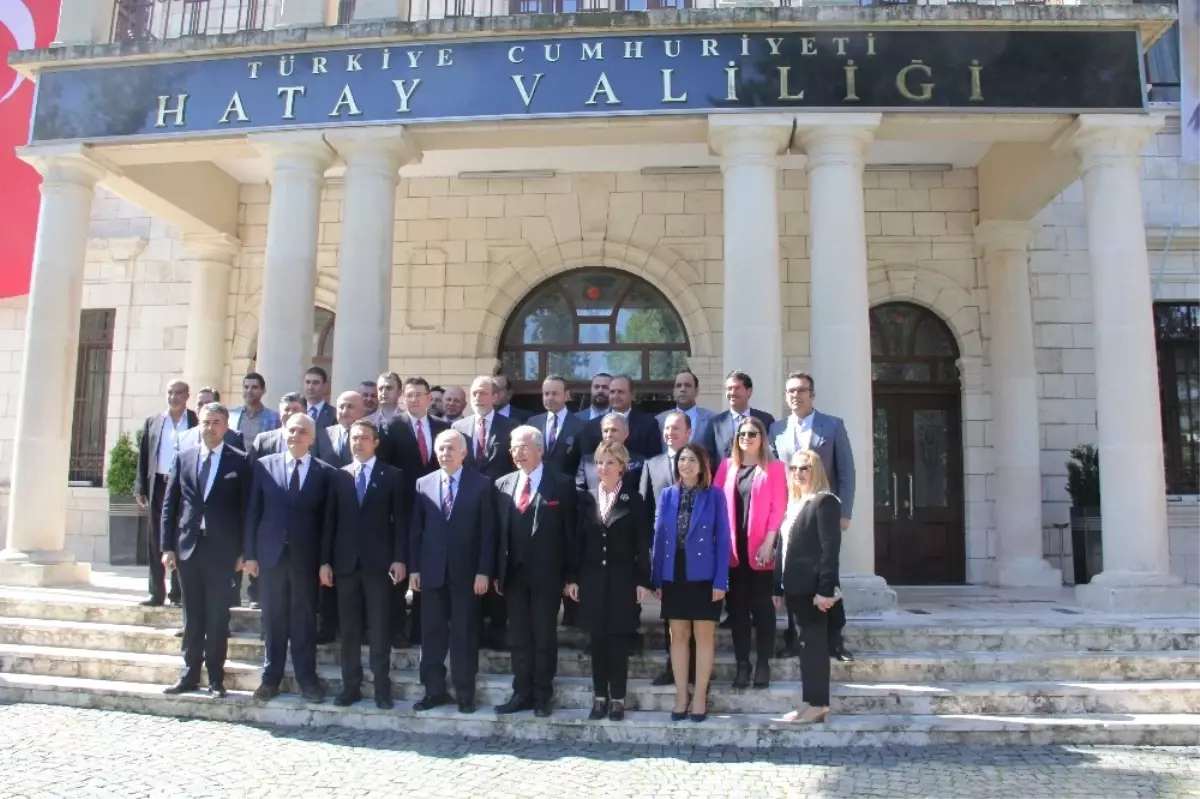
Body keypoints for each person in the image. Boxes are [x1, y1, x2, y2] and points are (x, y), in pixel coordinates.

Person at [243, 413, 337, 703]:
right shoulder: (263, 466)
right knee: (273, 619)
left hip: (305, 559)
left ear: (312, 438)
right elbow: (253, 511)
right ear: (283, 433)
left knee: (304, 619)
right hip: (270, 556)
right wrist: (249, 555)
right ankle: (270, 679)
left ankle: (307, 679)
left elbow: (327, 523)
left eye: (302, 431)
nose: (295, 435)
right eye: (291, 430)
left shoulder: (325, 472)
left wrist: (324, 561)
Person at [160, 402, 250, 698]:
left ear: (226, 427)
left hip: (222, 551)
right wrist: (167, 546)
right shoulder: (183, 458)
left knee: (216, 615)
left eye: (216, 422)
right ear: (198, 424)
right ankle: (188, 674)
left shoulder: (240, 461)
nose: (210, 427)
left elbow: (246, 510)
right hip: (188, 548)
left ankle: (215, 677)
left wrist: (244, 551)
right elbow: (170, 505)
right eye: (206, 422)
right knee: (192, 615)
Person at [320, 419, 407, 710]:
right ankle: (351, 686)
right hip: (345, 565)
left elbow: (400, 524)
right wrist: (325, 562)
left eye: (363, 438)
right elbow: (329, 523)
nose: (357, 443)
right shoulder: (339, 477)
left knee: (380, 628)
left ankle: (382, 687)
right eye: (353, 438)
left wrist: (399, 558)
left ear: (375, 442)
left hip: (379, 565)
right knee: (349, 629)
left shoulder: (392, 476)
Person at [769, 371, 855, 662]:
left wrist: (844, 512)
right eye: (791, 391)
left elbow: (846, 471)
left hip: (823, 512)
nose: (796, 395)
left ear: (812, 394)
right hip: (791, 512)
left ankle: (835, 639)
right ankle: (793, 637)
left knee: (828, 573)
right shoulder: (776, 430)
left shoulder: (832, 425)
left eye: (802, 390)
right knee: (793, 576)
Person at [494, 426, 579, 718]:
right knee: (519, 636)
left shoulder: (562, 485)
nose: (517, 452)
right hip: (513, 576)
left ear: (539, 450)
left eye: (523, 447)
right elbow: (497, 534)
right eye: (513, 448)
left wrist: (571, 576)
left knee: (544, 636)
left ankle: (543, 694)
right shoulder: (502, 484)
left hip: (547, 575)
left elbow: (571, 533)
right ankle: (522, 691)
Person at [410, 430, 495, 714]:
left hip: (467, 574)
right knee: (431, 635)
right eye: (441, 449)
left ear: (464, 453)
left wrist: (484, 571)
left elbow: (488, 533)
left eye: (450, 448)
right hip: (432, 572)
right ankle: (433, 691)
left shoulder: (481, 485)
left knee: (464, 634)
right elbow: (416, 531)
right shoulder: (423, 483)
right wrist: (414, 569)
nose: (445, 453)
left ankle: (464, 692)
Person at [651, 443, 730, 723]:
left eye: (692, 460)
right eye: (682, 459)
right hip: (675, 571)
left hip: (704, 574)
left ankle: (700, 697)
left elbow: (723, 541)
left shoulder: (715, 495)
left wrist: (721, 580)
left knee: (704, 636)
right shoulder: (667, 495)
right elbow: (659, 538)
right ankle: (682, 695)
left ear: (702, 465)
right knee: (679, 636)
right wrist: (657, 577)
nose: (686, 464)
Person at [576, 441, 651, 722]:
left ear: (621, 466)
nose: (603, 468)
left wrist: (643, 580)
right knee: (597, 642)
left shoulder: (634, 499)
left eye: (609, 462)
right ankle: (599, 697)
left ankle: (617, 698)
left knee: (619, 642)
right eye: (599, 463)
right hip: (593, 579)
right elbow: (578, 541)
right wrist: (574, 577)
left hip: (623, 580)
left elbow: (642, 543)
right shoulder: (586, 499)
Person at [713, 415, 786, 689]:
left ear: (762, 438)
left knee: (763, 608)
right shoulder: (726, 467)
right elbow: (718, 504)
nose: (746, 438)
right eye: (742, 434)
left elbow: (778, 507)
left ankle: (763, 663)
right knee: (738, 610)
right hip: (733, 551)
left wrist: (769, 542)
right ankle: (742, 663)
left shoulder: (775, 468)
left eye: (752, 434)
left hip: (760, 550)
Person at [774, 449, 842, 725]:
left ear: (816, 470)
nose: (798, 473)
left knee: (814, 645)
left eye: (805, 468)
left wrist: (825, 590)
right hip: (793, 586)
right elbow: (784, 548)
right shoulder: (795, 503)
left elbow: (830, 549)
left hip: (813, 589)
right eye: (794, 468)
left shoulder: (825, 502)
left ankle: (819, 703)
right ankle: (809, 701)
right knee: (804, 645)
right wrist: (776, 586)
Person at [638, 410, 696, 687]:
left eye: (676, 428)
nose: (670, 433)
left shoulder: (701, 462)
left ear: (689, 432)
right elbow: (645, 509)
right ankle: (672, 667)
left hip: (695, 553)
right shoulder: (652, 465)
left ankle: (695, 668)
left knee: (694, 613)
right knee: (669, 613)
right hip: (665, 552)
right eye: (667, 429)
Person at [134, 379, 195, 607]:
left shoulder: (195, 421)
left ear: (187, 395)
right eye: (170, 392)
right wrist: (140, 487)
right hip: (158, 484)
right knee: (155, 539)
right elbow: (144, 455)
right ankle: (156, 592)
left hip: (184, 485)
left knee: (179, 538)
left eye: (179, 393)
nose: (174, 397)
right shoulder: (154, 422)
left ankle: (178, 594)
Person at [699, 370, 776, 462]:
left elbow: (772, 452)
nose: (732, 392)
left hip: (759, 474)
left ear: (749, 392)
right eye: (729, 388)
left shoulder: (766, 420)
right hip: (725, 475)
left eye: (737, 388)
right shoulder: (715, 424)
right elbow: (708, 457)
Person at [579, 375, 662, 458]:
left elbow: (654, 460)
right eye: (612, 392)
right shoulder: (592, 426)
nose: (615, 396)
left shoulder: (648, 424)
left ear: (633, 395)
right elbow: (587, 461)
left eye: (620, 392)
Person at [453, 376, 518, 480]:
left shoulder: (511, 427)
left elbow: (515, 464)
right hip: (469, 490)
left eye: (482, 393)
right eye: (474, 393)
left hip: (499, 491)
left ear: (494, 397)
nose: (477, 398)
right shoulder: (458, 427)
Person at [527, 374, 585, 479]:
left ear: (566, 395)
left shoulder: (580, 426)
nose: (549, 398)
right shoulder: (532, 423)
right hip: (539, 487)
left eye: (554, 394)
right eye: (546, 394)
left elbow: (584, 464)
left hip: (567, 488)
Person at [655, 370, 715, 442]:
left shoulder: (713, 420)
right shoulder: (660, 421)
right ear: (674, 392)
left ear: (696, 391)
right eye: (678, 386)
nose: (683, 389)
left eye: (687, 385)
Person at [229, 372, 281, 446]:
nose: (249, 391)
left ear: (263, 390)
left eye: (254, 387)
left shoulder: (274, 418)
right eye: (246, 387)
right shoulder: (231, 415)